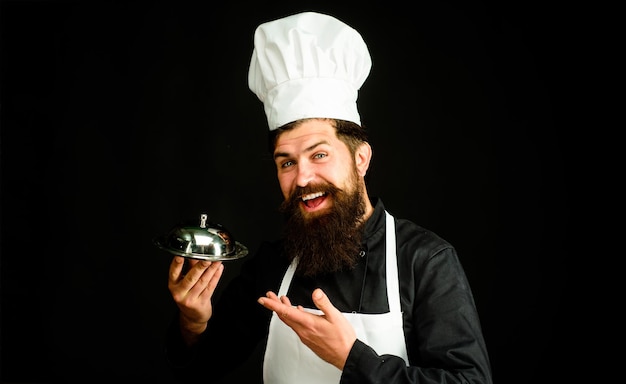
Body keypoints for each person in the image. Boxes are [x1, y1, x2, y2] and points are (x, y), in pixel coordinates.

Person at [164, 11, 493, 384]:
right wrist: (192, 322)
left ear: (361, 158)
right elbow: (202, 369)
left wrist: (352, 359)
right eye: (286, 162)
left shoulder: (424, 261)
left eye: (319, 155)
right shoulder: (276, 264)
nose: (302, 177)